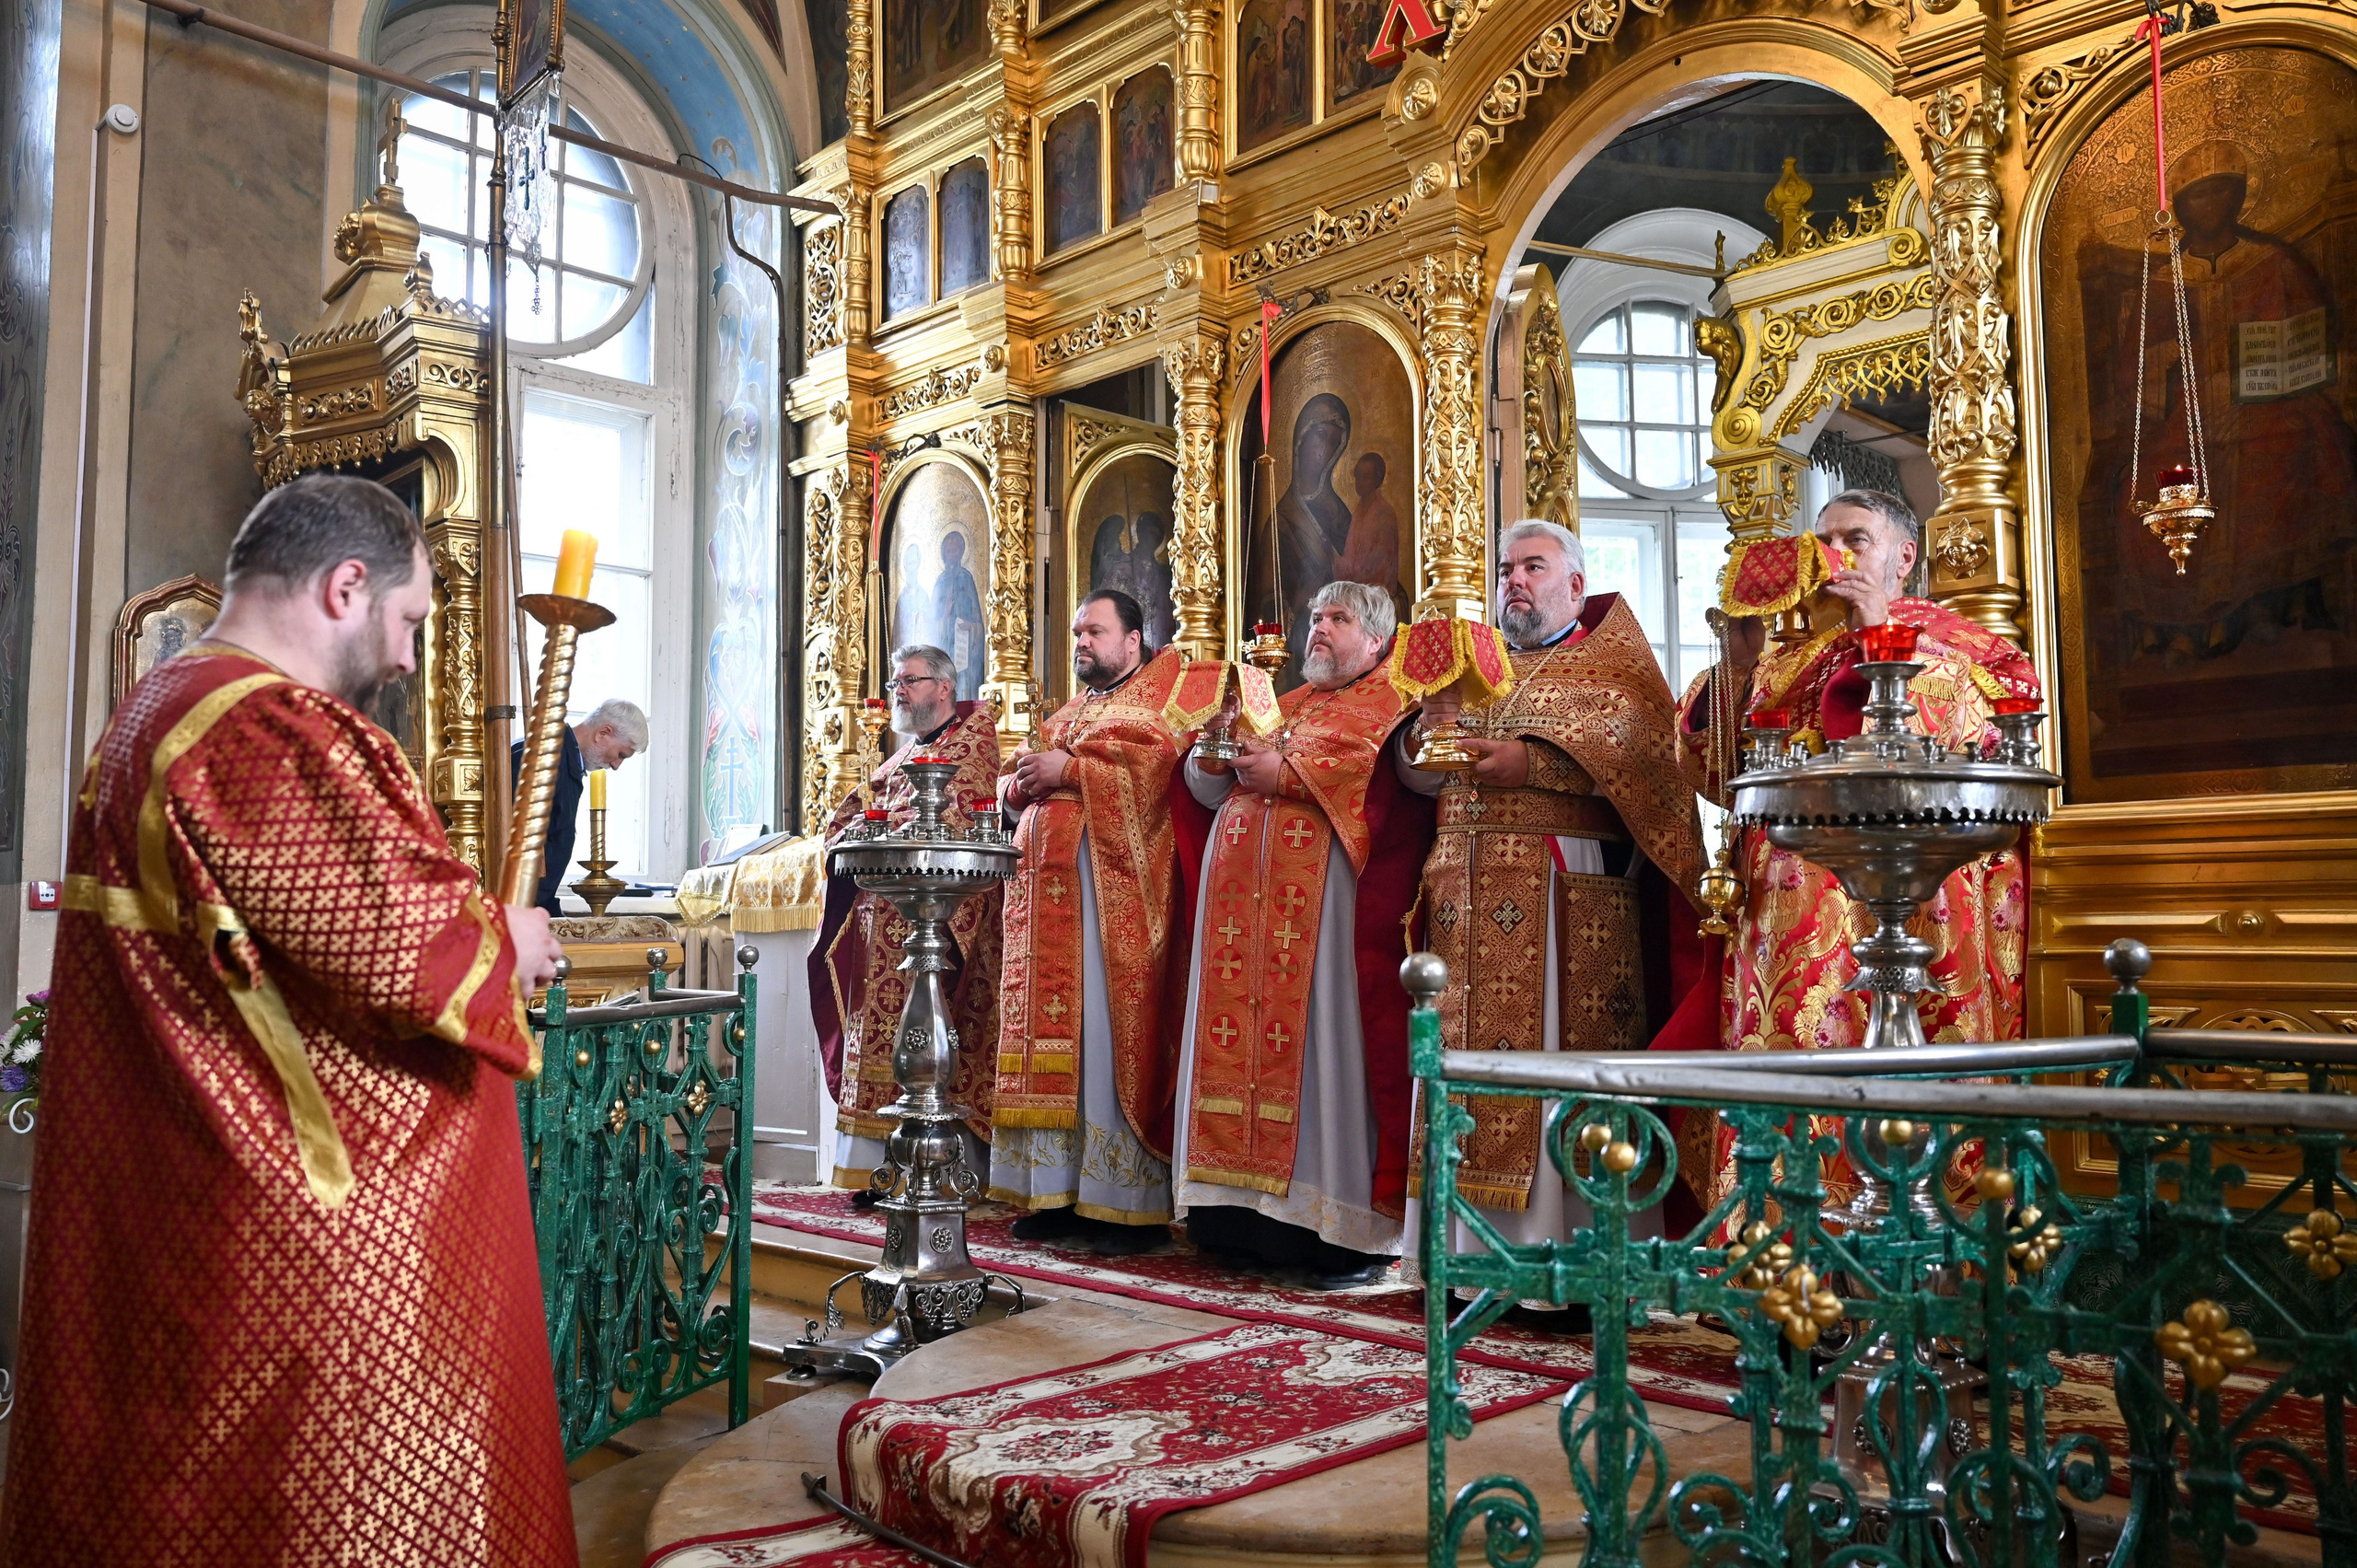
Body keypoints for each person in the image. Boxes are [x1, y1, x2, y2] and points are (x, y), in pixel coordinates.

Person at [0, 474, 574, 1565]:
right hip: (302, 1249)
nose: (405, 658)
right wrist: (510, 939)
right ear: (346, 586)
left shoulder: (158, 705)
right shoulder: (262, 723)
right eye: (407, 620)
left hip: (188, 1187)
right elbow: (404, 953)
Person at [1676, 490, 2039, 1214]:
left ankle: (1917, 1238)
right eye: (1825, 542)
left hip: (1916, 906)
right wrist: (1736, 663)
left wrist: (1879, 631)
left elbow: (1965, 753)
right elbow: (1715, 773)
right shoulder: (1791, 663)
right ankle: (1782, 1240)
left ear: (1904, 556)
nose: (1835, 556)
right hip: (1788, 927)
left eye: (1856, 539)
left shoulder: (1971, 652)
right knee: (1793, 1081)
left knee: (1906, 1079)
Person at [1402, 519, 1708, 1307]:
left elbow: (1644, 760)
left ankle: (1566, 1270)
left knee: (1553, 1078)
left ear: (1575, 584)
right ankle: (1463, 1260)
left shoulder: (1613, 667)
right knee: (1461, 1076)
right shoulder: (1476, 669)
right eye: (1506, 568)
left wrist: (1532, 762)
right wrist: (1426, 734)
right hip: (1462, 897)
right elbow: (1416, 773)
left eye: (1532, 567)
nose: (1514, 580)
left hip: (1560, 893)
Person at [1172, 581, 1434, 1288]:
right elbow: (1206, 791)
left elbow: (1392, 781)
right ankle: (1234, 1217)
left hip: (1323, 920)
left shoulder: (1393, 706)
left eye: (1338, 618)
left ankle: (1328, 1230)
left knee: (1323, 1057)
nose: (1318, 627)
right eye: (1315, 616)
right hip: (1239, 922)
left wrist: (1290, 774)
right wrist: (1213, 752)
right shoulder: (1279, 704)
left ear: (1376, 639)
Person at [992, 589, 1192, 1257]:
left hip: (1110, 911)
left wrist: (1073, 769)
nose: (1081, 642)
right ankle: (1052, 1192)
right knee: (1052, 1048)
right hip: (1044, 912)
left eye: (1095, 632)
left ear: (1133, 640)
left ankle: (1120, 1204)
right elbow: (1015, 777)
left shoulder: (1158, 703)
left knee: (1102, 1044)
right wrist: (1017, 787)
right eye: (1077, 632)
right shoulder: (1070, 711)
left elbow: (1160, 775)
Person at [812, 645, 1004, 1191]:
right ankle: (879, 1171)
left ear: (944, 687)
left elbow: (962, 819)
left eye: (909, 681)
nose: (898, 691)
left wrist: (883, 828)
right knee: (877, 1039)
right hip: (880, 927)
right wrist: (857, 831)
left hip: (935, 925)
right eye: (895, 682)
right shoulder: (904, 755)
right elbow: (856, 813)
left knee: (932, 1036)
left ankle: (935, 1169)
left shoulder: (972, 744)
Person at [509, 696, 647, 914]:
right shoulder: (547, 756)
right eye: (621, 754)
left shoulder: (564, 760)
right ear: (603, 733)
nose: (616, 765)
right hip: (516, 907)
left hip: (533, 905)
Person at [932, 530, 987, 702]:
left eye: (956, 550)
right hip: (946, 651)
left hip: (966, 652)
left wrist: (971, 627)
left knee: (963, 691)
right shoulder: (940, 583)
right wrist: (946, 615)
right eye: (949, 551)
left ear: (962, 552)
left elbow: (980, 622)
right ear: (944, 554)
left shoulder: (967, 578)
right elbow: (932, 628)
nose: (952, 555)